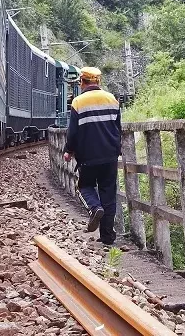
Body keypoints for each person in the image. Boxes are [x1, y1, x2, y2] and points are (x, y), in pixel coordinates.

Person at [62, 67, 121, 246]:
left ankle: (95, 208)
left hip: (87, 156)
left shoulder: (78, 102)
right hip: (109, 155)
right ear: (98, 81)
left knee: (85, 186)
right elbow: (117, 127)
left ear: (82, 82)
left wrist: (68, 150)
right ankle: (107, 237)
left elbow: (73, 132)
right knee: (108, 193)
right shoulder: (112, 99)